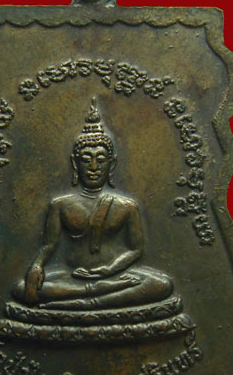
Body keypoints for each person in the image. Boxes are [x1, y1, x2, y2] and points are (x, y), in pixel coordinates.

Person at [13, 99, 173, 310]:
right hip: (72, 276)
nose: (94, 167)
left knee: (162, 284)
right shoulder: (60, 205)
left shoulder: (127, 206)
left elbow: (136, 249)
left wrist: (109, 270)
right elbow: (49, 245)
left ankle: (87, 299)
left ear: (111, 164)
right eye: (86, 159)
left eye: (101, 159)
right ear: (75, 164)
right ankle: (94, 295)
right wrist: (36, 266)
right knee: (22, 288)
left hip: (114, 275)